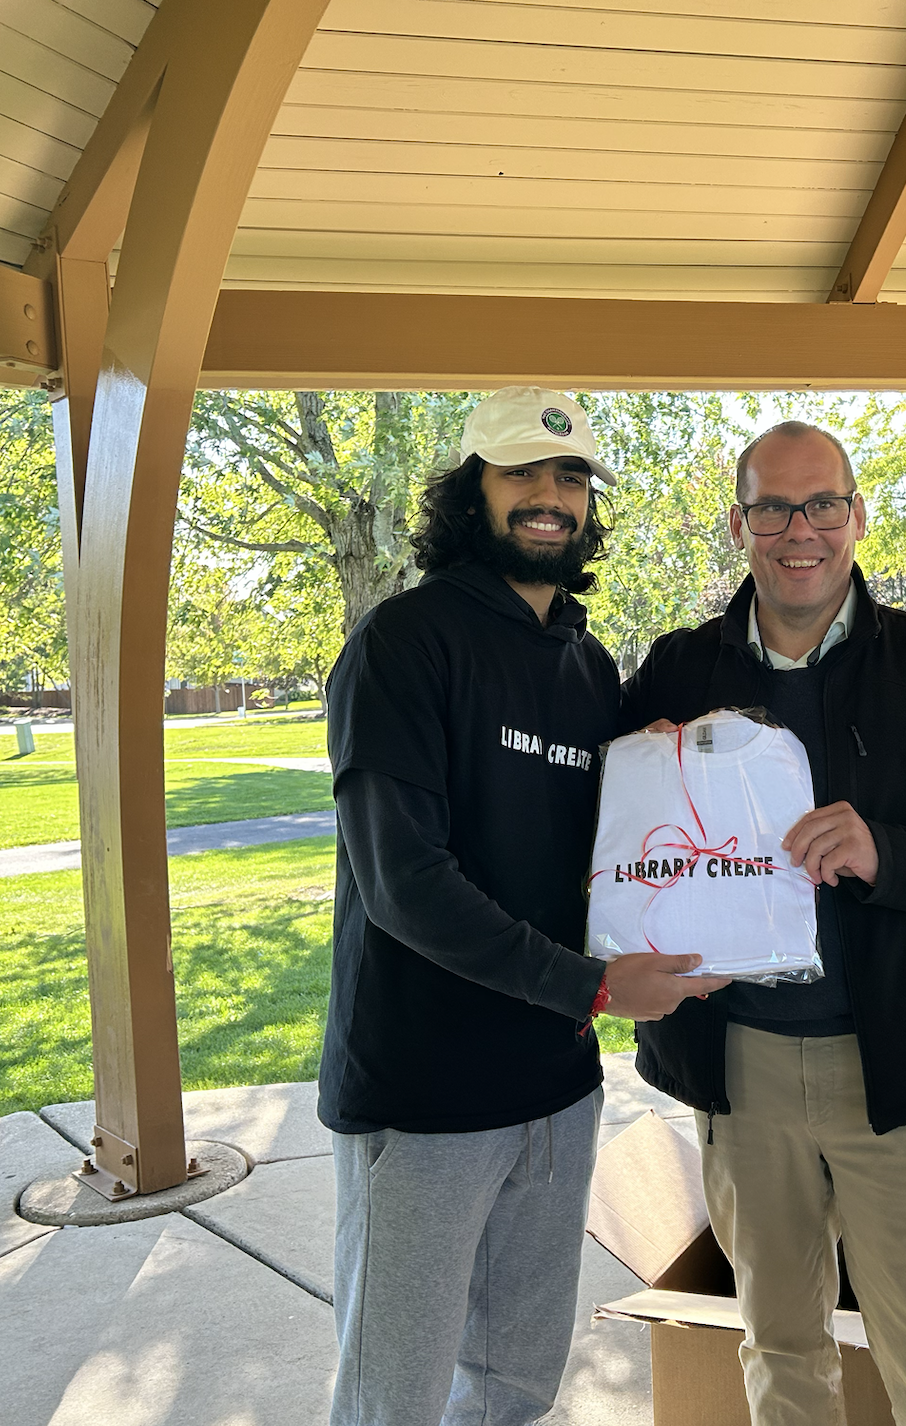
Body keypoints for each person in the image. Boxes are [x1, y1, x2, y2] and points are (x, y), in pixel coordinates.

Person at [620, 421, 906, 1426]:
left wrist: (889, 853)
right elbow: (620, 855)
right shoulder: (677, 673)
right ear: (738, 525)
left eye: (822, 503)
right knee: (781, 1346)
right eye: (772, 507)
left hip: (896, 1069)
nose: (799, 530)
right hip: (740, 1068)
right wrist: (637, 777)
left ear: (858, 517)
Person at [318, 386, 728, 1426]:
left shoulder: (589, 665)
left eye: (571, 477)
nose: (551, 497)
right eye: (523, 475)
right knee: (391, 1398)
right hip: (423, 1099)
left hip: (555, 1091)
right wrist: (593, 985)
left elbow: (620, 852)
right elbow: (403, 882)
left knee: (512, 1388)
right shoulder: (403, 643)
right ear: (471, 493)